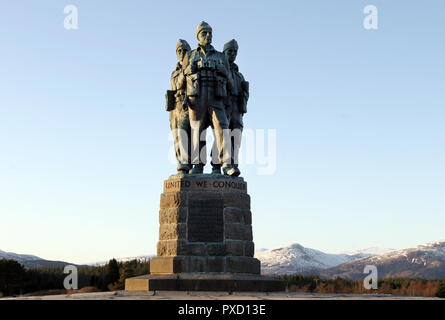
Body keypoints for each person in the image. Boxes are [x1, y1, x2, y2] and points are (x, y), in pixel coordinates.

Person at [184, 21, 237, 176]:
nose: (208, 36)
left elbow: (232, 85)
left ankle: (226, 164)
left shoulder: (221, 56)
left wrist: (225, 72)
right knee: (197, 131)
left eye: (210, 33)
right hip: (197, 97)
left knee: (223, 129)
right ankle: (198, 165)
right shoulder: (191, 54)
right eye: (204, 33)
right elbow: (182, 77)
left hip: (216, 97)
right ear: (198, 36)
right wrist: (190, 69)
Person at [211, 39, 249, 176]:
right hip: (223, 106)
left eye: (235, 52)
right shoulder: (219, 69)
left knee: (236, 138)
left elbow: (242, 93)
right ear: (224, 53)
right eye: (230, 51)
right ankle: (216, 166)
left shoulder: (239, 75)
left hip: (237, 109)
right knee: (222, 136)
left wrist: (245, 95)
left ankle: (233, 165)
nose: (232, 54)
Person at [167, 39, 192, 174]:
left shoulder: (192, 68)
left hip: (188, 105)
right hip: (175, 108)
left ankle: (185, 163)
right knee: (177, 135)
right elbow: (174, 86)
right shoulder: (175, 72)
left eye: (184, 50)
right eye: (179, 50)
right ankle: (182, 164)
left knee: (186, 134)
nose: (182, 53)